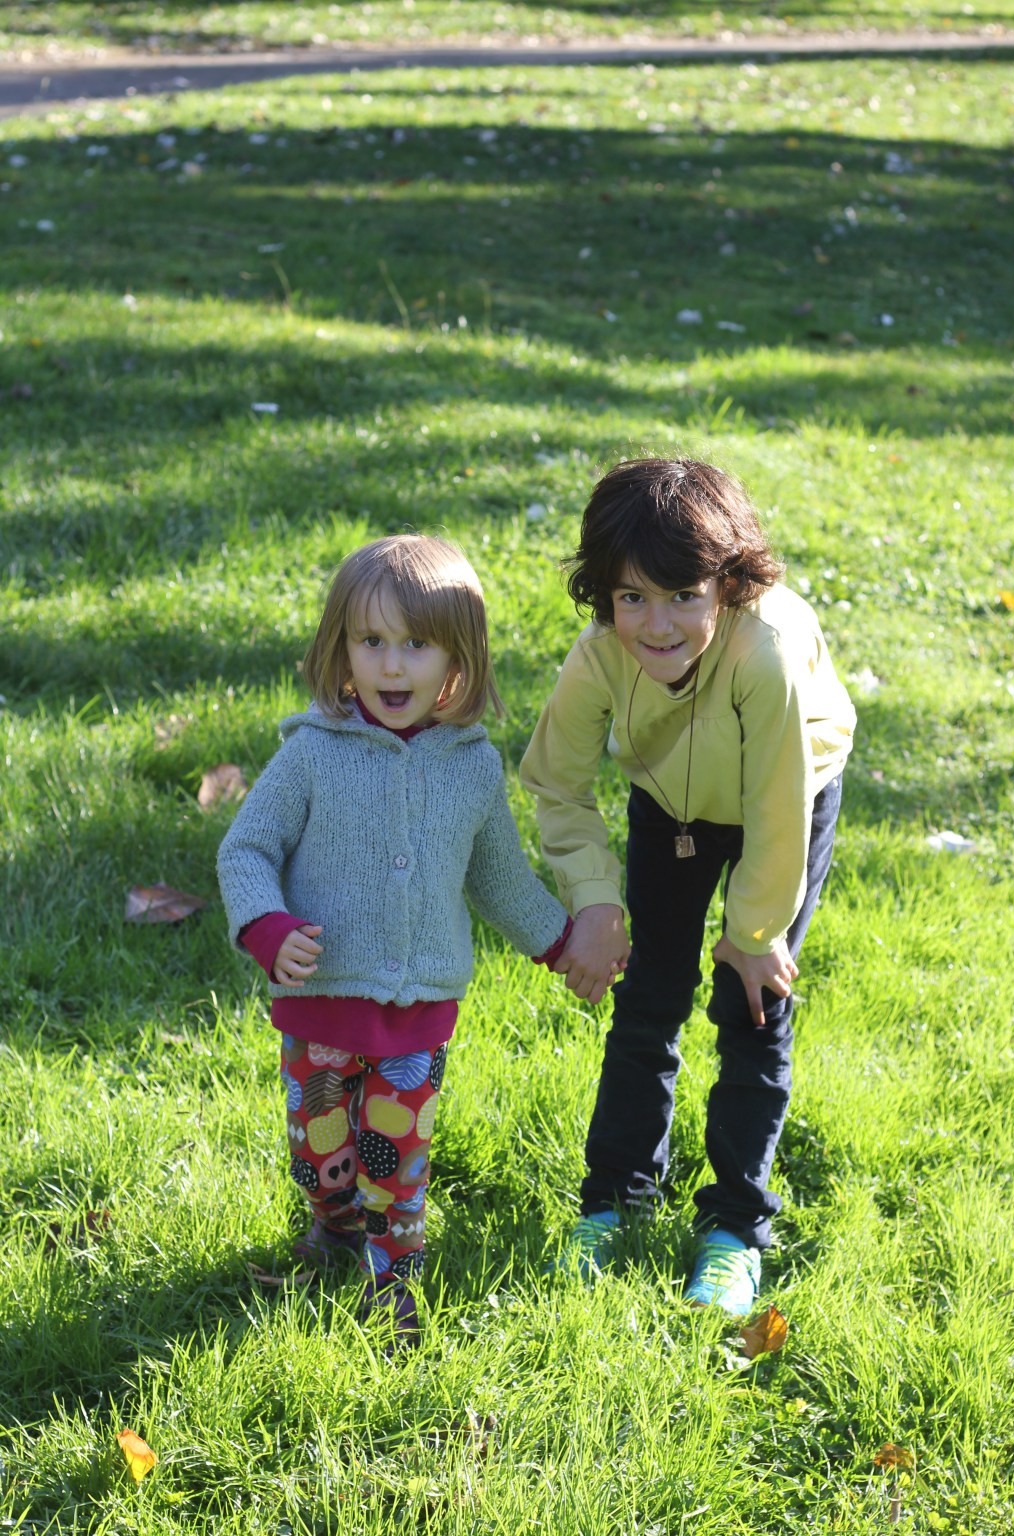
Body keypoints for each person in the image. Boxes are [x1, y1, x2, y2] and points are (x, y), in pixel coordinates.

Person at [521, 456, 856, 1314]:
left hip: (784, 790)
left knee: (752, 1004)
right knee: (650, 994)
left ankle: (736, 1229)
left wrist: (752, 935)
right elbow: (556, 783)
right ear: (602, 596)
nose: (657, 624)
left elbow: (777, 811)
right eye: (632, 597)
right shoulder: (600, 657)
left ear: (729, 586)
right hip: (672, 802)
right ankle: (614, 1200)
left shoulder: (763, 653)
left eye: (682, 596)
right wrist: (596, 902)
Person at [218, 534, 570, 1346]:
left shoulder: (473, 769)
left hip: (415, 1013)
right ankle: (334, 1227)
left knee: (396, 1159)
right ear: (341, 649)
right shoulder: (311, 754)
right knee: (320, 1153)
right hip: (318, 1005)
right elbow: (247, 848)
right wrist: (266, 927)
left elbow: (501, 881)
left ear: (459, 658)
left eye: (416, 645)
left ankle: (393, 1277)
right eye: (371, 642)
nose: (392, 667)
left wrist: (563, 943)